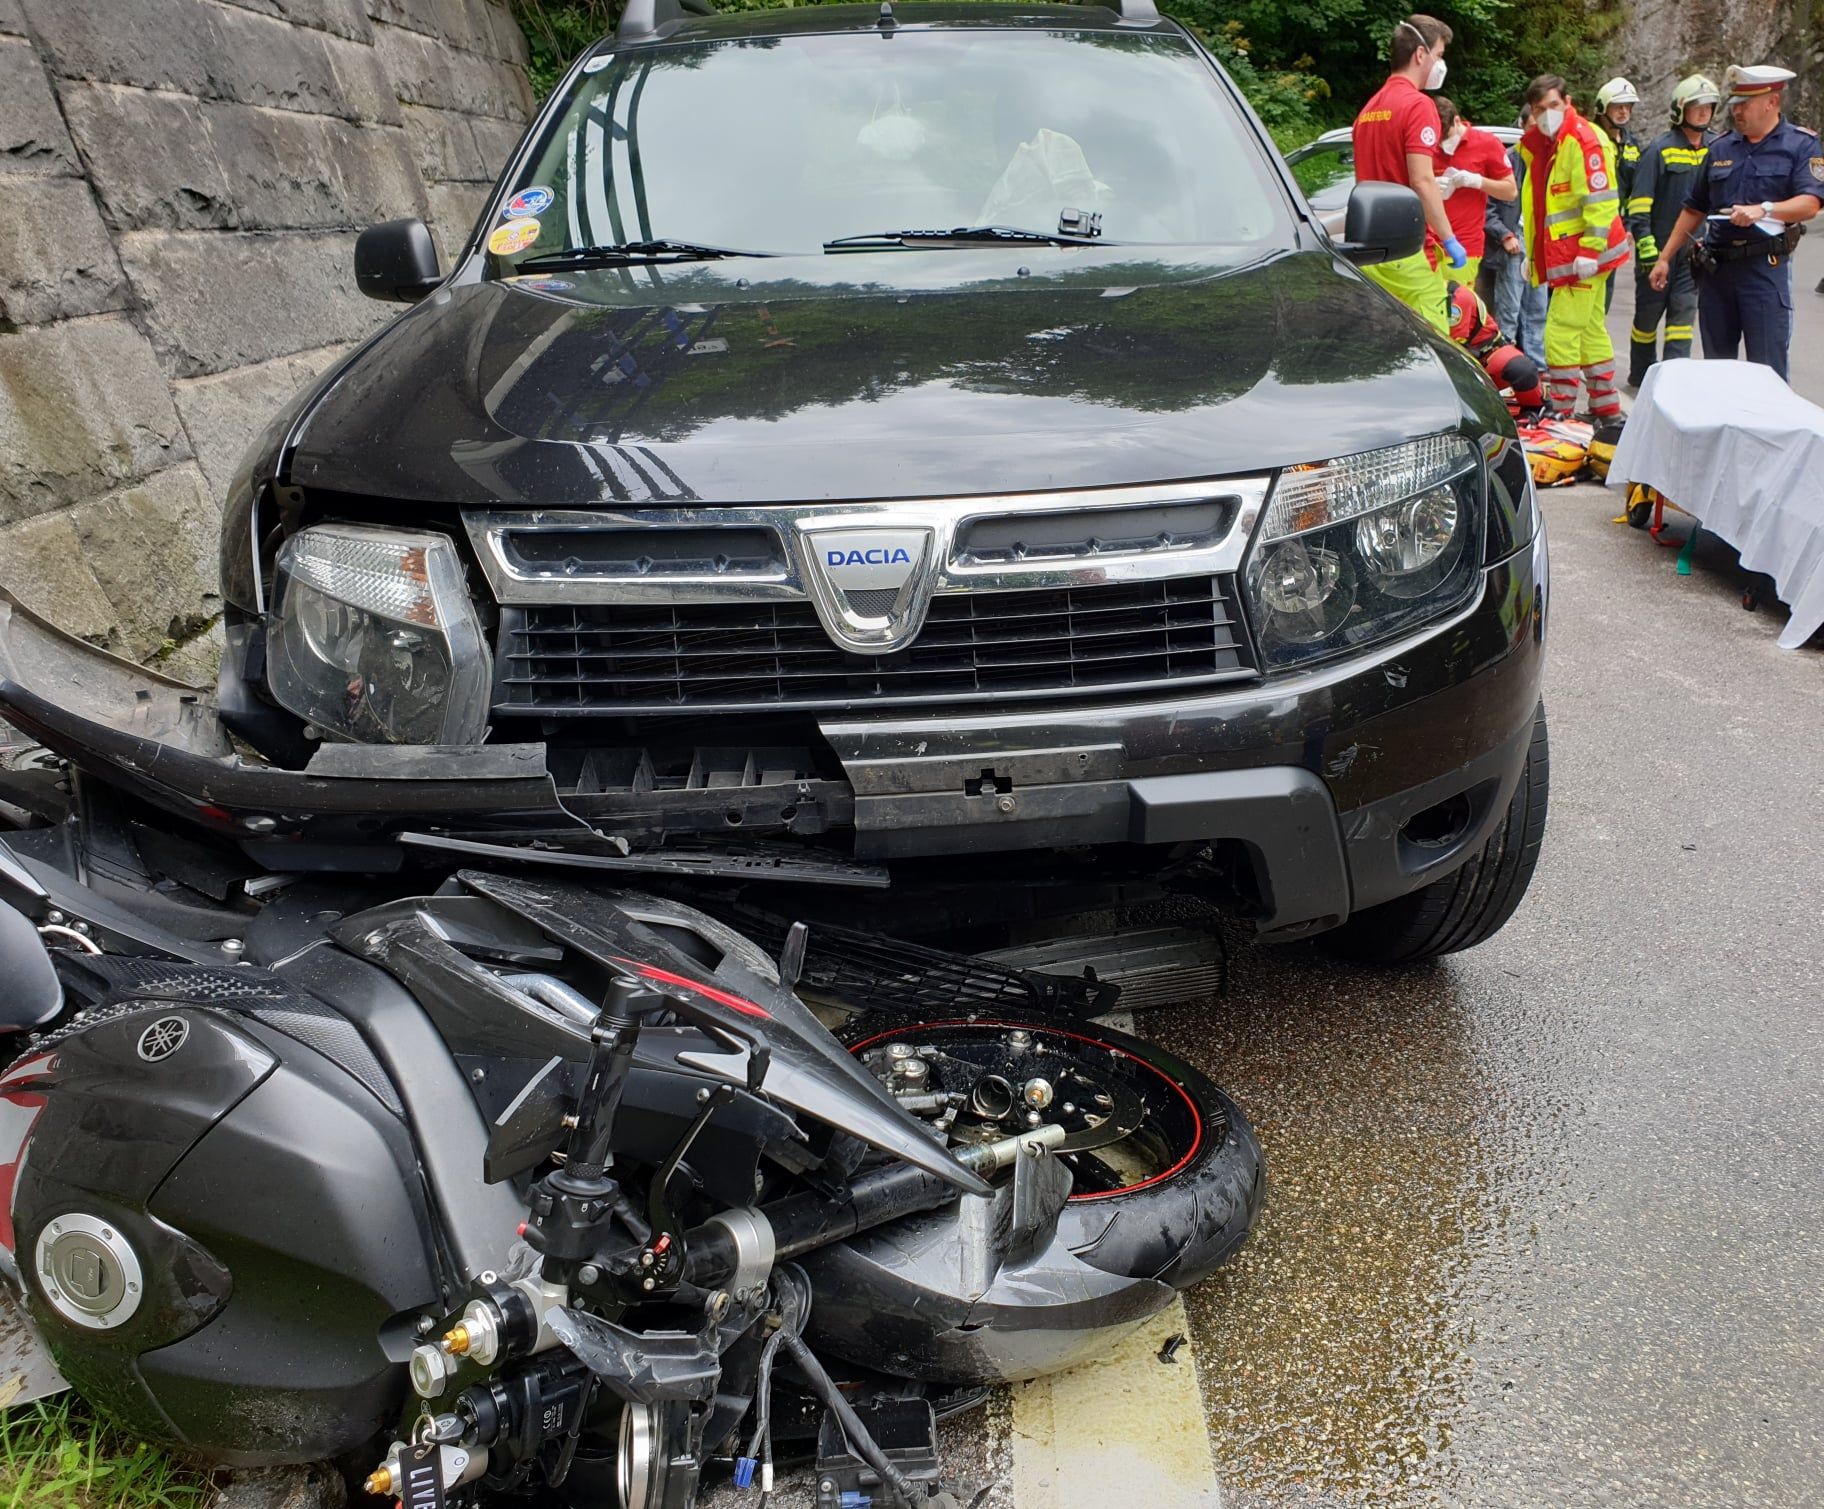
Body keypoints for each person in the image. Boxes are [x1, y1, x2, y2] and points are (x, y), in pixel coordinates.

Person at [1651, 64, 1823, 381]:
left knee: (1767, 371)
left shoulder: (1801, 145)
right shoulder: (1720, 148)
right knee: (1718, 372)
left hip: (1763, 270)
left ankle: (1768, 432)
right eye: (1735, 105)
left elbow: (1810, 204)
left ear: (1772, 102)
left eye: (1745, 104)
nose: (1737, 112)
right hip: (1717, 272)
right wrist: (1665, 257)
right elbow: (1694, 208)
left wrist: (1765, 209)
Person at [1517, 75, 1629, 418]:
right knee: (1590, 328)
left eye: (1553, 105)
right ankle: (1605, 406)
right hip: (1575, 256)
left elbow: (1601, 200)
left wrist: (1590, 251)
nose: (1547, 114)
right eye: (1539, 109)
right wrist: (1534, 255)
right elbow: (1542, 208)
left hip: (1583, 257)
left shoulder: (1582, 139)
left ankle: (1561, 410)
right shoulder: (1551, 144)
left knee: (1561, 330)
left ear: (1567, 102)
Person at [1350, 14, 1461, 332]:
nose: (1440, 64)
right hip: (1408, 250)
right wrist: (1450, 239)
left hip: (1373, 253)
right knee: (1436, 341)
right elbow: (1422, 180)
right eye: (1439, 55)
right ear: (1421, 54)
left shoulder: (1369, 109)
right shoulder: (1418, 105)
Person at [1625, 74, 1719, 387]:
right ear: (1680, 110)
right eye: (1697, 106)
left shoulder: (1716, 150)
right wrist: (1649, 250)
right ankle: (1641, 378)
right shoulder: (1658, 151)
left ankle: (1672, 384)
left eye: (1708, 106)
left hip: (1693, 254)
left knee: (1682, 320)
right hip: (1659, 251)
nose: (1704, 112)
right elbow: (1639, 206)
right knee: (1647, 322)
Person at [1433, 98, 1516, 287]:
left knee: (1456, 309)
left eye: (1446, 137)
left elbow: (1510, 191)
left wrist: (1477, 181)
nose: (1443, 144)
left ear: (1457, 121)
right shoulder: (1428, 144)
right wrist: (1430, 187)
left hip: (1464, 246)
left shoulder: (1486, 144)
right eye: (1439, 140)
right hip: (1429, 245)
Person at [1446, 279, 1547, 412]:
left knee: (1521, 369)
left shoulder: (1456, 298)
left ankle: (1534, 410)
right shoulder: (1418, 296)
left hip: (1481, 357)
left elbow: (1452, 349)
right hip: (1451, 360)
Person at [1593, 77, 1643, 312]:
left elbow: (1636, 190)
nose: (1624, 112)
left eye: (1628, 106)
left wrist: (1630, 226)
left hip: (1617, 228)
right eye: (1618, 106)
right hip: (1589, 228)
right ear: (1603, 108)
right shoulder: (1591, 140)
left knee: (1605, 295)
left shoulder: (1632, 145)